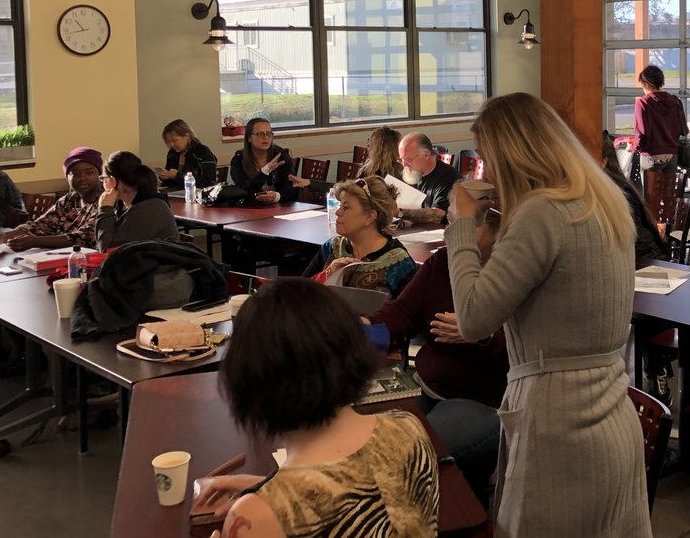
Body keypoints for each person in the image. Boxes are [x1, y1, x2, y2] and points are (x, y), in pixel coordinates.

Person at [445, 92, 651, 536]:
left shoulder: (541, 212)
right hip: (611, 407)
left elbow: (473, 319)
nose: (486, 172)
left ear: (511, 153)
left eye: (487, 158)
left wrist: (460, 227)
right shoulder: (601, 198)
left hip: (558, 420)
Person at [206, 278, 438, 537]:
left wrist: (264, 500)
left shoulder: (252, 519)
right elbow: (354, 487)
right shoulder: (408, 429)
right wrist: (267, 489)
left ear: (251, 382)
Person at [367, 204, 507, 501]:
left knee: (409, 459)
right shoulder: (444, 261)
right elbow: (402, 313)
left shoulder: (515, 273)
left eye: (463, 224)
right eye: (452, 222)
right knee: (371, 442)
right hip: (426, 387)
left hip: (484, 402)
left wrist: (481, 333)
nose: (451, 232)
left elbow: (529, 351)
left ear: (496, 228)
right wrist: (363, 329)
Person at [301, 177, 416, 296]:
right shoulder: (333, 247)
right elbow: (297, 294)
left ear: (369, 217)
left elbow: (408, 307)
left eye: (346, 207)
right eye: (340, 205)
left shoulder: (398, 261)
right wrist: (328, 273)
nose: (337, 212)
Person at [0, 147, 103, 251]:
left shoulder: (106, 201)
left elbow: (84, 237)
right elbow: (40, 226)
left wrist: (35, 242)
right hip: (59, 258)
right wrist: (2, 237)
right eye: (74, 173)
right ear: (67, 177)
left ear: (100, 174)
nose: (82, 178)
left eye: (89, 172)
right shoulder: (68, 200)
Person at [600, 131, 669, 263]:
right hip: (638, 253)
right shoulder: (613, 185)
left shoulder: (615, 191)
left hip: (645, 256)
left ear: (603, 161)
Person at [95, 151, 181, 251]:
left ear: (113, 180)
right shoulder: (122, 204)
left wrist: (104, 209)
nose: (103, 183)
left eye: (103, 178)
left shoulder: (150, 208)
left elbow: (107, 249)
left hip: (159, 260)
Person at [397, 132, 461, 224]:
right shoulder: (412, 173)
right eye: (401, 160)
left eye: (408, 160)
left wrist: (399, 213)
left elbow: (438, 215)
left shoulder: (448, 177)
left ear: (426, 155)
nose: (404, 165)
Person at [229, 118, 297, 204]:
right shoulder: (239, 160)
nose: (265, 137)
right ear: (249, 138)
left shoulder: (281, 156)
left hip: (280, 206)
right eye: (260, 134)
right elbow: (244, 191)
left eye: (269, 133)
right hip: (251, 207)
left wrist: (276, 196)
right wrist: (265, 171)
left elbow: (291, 190)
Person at [633, 64, 687, 171]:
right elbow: (684, 130)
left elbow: (641, 132)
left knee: (649, 183)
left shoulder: (643, 102)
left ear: (646, 84)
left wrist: (633, 147)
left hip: (651, 156)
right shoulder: (675, 101)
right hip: (672, 156)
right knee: (669, 183)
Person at [156, 119, 218, 189]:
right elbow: (171, 182)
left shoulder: (203, 151)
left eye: (174, 141)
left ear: (187, 136)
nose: (171, 145)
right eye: (168, 142)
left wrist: (178, 175)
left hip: (197, 193)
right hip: (175, 192)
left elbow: (209, 182)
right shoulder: (172, 154)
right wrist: (165, 177)